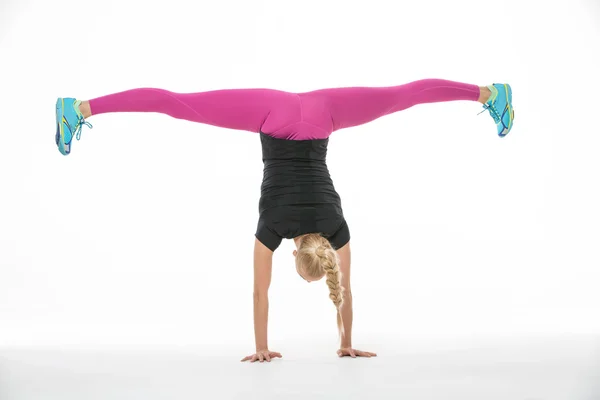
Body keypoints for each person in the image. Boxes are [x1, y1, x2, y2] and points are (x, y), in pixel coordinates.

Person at [54, 79, 515, 362]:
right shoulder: (272, 228)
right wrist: (261, 347)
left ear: (320, 254)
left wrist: (347, 339)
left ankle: (491, 93)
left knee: (402, 97)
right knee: (179, 105)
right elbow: (260, 292)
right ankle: (77, 109)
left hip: (319, 112)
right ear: (296, 252)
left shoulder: (337, 228)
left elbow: (345, 292)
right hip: (273, 117)